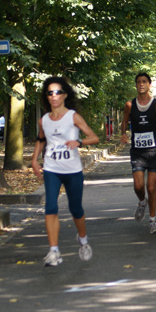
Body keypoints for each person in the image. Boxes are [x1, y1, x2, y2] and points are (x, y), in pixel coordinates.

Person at [31, 76, 99, 266]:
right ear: (47, 97)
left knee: (75, 209)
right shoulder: (43, 120)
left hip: (73, 170)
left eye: (58, 92)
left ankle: (83, 240)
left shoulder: (73, 116)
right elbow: (41, 139)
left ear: (64, 95)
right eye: (50, 93)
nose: (54, 96)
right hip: (52, 168)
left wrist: (79, 142)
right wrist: (34, 160)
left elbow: (94, 137)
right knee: (50, 207)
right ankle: (54, 252)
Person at [120, 73, 156, 234]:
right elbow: (125, 121)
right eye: (138, 82)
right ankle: (141, 201)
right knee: (138, 186)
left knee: (151, 187)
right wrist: (123, 133)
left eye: (144, 82)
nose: (141, 84)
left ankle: (152, 221)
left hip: (154, 151)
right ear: (136, 85)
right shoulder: (130, 105)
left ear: (149, 85)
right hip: (137, 152)